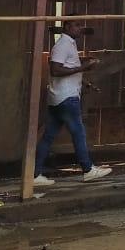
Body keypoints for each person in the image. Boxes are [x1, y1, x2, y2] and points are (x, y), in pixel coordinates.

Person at [33, 21, 112, 185]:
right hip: (66, 98)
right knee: (78, 133)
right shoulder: (63, 45)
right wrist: (83, 67)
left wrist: (85, 75)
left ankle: (34, 174)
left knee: (48, 137)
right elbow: (56, 69)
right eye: (76, 25)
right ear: (67, 27)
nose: (80, 29)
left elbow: (67, 66)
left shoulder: (68, 44)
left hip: (58, 98)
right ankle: (88, 169)